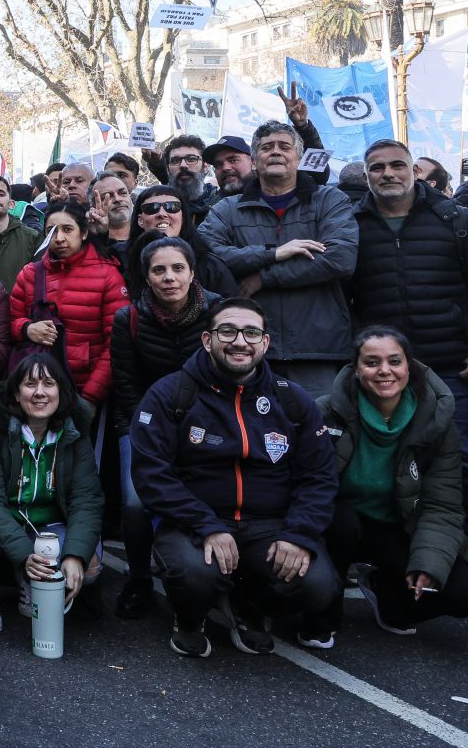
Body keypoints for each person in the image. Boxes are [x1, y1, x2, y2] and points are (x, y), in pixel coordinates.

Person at [130, 298, 339, 658]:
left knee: (318, 586)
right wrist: (205, 524)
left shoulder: (291, 399)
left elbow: (318, 476)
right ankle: (189, 615)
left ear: (265, 343)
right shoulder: (171, 393)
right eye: (228, 331)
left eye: (251, 332)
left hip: (269, 525)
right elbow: (152, 473)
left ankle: (247, 603)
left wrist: (298, 534)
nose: (240, 341)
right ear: (208, 340)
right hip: (194, 523)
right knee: (193, 575)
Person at [301, 328, 468, 646]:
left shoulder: (437, 421)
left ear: (410, 367)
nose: (384, 371)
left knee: (460, 591)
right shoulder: (325, 412)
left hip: (395, 524)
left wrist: (428, 566)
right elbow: (304, 486)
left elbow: (442, 504)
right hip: (335, 524)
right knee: (341, 522)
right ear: (356, 369)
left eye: (395, 361)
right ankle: (321, 617)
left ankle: (389, 598)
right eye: (372, 362)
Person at [0, 355, 102, 635]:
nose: (39, 392)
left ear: (61, 391)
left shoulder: (74, 431)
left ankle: (31, 581)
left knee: (92, 569)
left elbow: (87, 498)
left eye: (49, 383)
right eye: (30, 383)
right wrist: (24, 556)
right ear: (15, 392)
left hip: (48, 527)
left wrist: (75, 555)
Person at [198, 120, 359, 402]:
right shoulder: (227, 209)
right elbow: (205, 255)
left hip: (317, 350)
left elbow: (340, 258)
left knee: (317, 436)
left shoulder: (329, 200)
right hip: (248, 349)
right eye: (266, 147)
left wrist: (264, 277)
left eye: (285, 147)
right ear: (255, 160)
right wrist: (273, 252)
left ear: (298, 157)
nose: (276, 152)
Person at [108, 237, 220, 620]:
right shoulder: (129, 318)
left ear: (192, 272)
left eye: (177, 268)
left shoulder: (218, 312)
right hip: (143, 423)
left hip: (210, 423)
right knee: (137, 502)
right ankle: (139, 580)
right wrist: (155, 435)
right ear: (146, 276)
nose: (169, 277)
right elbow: (126, 385)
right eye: (159, 269)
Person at [349, 139, 468, 421]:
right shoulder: (350, 227)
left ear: (414, 171)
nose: (388, 173)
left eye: (397, 165)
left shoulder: (456, 221)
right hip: (383, 373)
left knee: (457, 458)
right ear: (366, 178)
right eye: (377, 168)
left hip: (453, 368)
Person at [9, 202, 127, 407]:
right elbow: (10, 323)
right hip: (37, 390)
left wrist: (90, 397)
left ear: (83, 233)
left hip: (83, 387)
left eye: (67, 229)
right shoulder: (30, 273)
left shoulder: (108, 275)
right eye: (52, 231)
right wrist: (26, 328)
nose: (59, 237)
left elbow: (116, 344)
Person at [123, 185, 237, 299]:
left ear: (182, 217)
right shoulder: (121, 260)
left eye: (172, 207)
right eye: (152, 208)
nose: (162, 214)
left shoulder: (210, 266)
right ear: (140, 220)